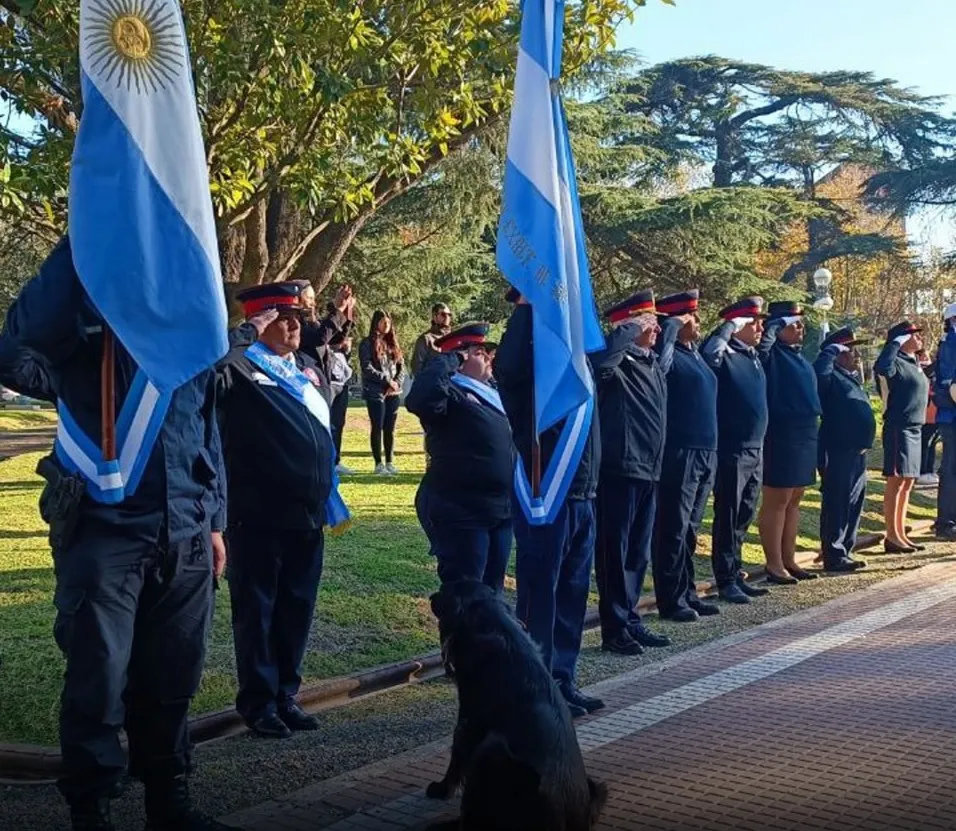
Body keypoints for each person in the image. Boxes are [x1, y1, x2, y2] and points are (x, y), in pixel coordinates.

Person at [0, 239, 228, 831]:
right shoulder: (81, 320)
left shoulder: (190, 323)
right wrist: (86, 239)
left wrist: (217, 521)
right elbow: (13, 352)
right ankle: (91, 808)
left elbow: (208, 427)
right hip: (105, 530)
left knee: (173, 674)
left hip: (185, 527)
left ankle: (168, 802)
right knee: (97, 679)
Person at [217, 282, 348, 740]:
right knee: (258, 612)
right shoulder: (241, 368)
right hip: (257, 514)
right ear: (261, 321)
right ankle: (259, 702)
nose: (295, 325)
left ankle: (285, 694)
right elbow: (213, 365)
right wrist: (244, 333)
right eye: (283, 317)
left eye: (297, 318)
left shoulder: (306, 369)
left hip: (307, 514)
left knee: (296, 609)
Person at [494, 291, 604, 719]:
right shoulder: (526, 356)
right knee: (541, 595)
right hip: (548, 494)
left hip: (582, 492)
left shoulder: (571, 353)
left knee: (572, 594)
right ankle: (537, 684)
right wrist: (526, 306)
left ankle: (562, 677)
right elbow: (508, 369)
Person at [592, 289, 675, 655]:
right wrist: (626, 330)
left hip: (650, 469)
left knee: (638, 554)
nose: (655, 327)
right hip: (620, 469)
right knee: (615, 551)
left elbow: (667, 339)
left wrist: (662, 327)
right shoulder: (616, 363)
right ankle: (614, 627)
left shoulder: (651, 363)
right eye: (648, 320)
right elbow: (600, 364)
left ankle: (631, 618)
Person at [406, 322, 513, 590]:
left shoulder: (492, 391)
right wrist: (450, 358)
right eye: (480, 352)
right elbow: (420, 398)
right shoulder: (449, 391)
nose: (489, 357)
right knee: (465, 594)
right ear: (460, 358)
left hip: (499, 508)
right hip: (463, 510)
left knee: (492, 593)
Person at [650, 290, 720, 622]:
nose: (699, 321)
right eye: (692, 316)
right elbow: (660, 371)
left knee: (691, 527)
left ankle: (688, 589)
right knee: (673, 527)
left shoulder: (694, 354)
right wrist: (671, 331)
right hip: (681, 451)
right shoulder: (669, 353)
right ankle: (671, 597)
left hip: (705, 451)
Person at [700, 296, 771, 604]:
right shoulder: (723, 351)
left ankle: (737, 571)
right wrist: (729, 326)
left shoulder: (752, 354)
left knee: (744, 513)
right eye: (753, 322)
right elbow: (710, 353)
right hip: (732, 448)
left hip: (755, 448)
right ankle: (724, 578)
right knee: (728, 514)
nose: (760, 327)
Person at [757, 301, 822, 584]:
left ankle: (789, 558)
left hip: (805, 432)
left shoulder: (798, 355)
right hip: (782, 433)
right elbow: (761, 354)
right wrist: (771, 329)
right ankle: (774, 563)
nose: (800, 328)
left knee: (795, 498)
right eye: (793, 324)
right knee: (778, 499)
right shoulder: (771, 354)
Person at [814, 327, 875, 572]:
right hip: (837, 449)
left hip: (856, 452)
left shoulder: (849, 376)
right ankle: (834, 554)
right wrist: (829, 353)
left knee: (853, 502)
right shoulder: (830, 375)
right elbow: (819, 378)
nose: (857, 354)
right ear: (838, 353)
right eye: (851, 349)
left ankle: (846, 549)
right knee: (837, 501)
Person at [874, 320, 929, 553]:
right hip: (899, 427)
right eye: (913, 335)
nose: (919, 338)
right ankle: (892, 535)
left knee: (907, 482)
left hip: (916, 427)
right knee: (896, 480)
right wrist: (894, 343)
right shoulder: (894, 361)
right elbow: (882, 368)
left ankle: (900, 533)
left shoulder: (913, 362)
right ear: (901, 339)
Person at [359, 310, 406, 475]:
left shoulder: (393, 343)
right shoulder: (367, 343)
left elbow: (401, 367)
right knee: (377, 426)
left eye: (388, 323)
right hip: (375, 391)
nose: (386, 326)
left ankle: (390, 461)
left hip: (393, 392)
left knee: (390, 428)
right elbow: (367, 368)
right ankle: (378, 463)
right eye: (383, 322)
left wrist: (397, 382)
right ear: (376, 323)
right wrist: (386, 380)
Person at [933, 304, 956, 539]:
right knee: (950, 469)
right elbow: (950, 382)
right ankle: (945, 522)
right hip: (951, 415)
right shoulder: (951, 341)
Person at [328, 331, 355, 475]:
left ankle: (336, 460)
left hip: (342, 384)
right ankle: (329, 459)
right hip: (329, 383)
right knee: (329, 423)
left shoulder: (345, 336)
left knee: (339, 423)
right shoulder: (327, 331)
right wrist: (336, 345)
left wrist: (347, 349)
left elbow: (346, 365)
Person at [411, 302, 453, 376]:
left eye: (449, 315)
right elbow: (416, 368)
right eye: (443, 314)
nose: (447, 317)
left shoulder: (453, 338)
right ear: (435, 317)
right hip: (431, 383)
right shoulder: (426, 339)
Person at [918, 349, 939, 487]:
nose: (925, 357)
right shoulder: (921, 370)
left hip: (935, 413)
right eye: (922, 355)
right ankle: (922, 471)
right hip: (926, 413)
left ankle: (929, 470)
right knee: (925, 443)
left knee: (932, 444)